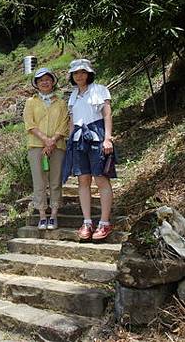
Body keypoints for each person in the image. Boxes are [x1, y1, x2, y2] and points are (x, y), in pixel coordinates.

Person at [62, 59, 117, 241]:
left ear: (89, 74)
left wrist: (107, 138)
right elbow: (72, 120)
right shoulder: (73, 95)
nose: (79, 76)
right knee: (83, 180)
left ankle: (104, 222)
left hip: (97, 135)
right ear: (72, 76)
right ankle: (87, 221)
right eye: (76, 73)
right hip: (78, 139)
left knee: (101, 178)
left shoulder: (100, 89)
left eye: (83, 72)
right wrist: (70, 142)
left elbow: (107, 114)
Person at [23, 67, 69, 230]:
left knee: (55, 180)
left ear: (53, 82)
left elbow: (64, 124)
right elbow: (30, 124)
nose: (45, 82)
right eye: (41, 80)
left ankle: (54, 215)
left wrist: (52, 141)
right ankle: (42, 215)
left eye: (47, 79)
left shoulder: (61, 102)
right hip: (36, 146)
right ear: (36, 83)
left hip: (58, 146)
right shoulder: (30, 102)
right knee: (39, 181)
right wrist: (45, 140)